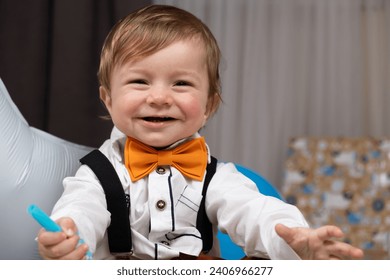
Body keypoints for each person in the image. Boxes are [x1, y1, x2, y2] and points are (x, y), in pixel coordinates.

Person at [36, 4, 363, 260]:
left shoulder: (216, 176)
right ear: (108, 99)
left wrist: (295, 239)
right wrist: (67, 235)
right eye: (140, 81)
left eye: (181, 83)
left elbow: (254, 210)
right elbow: (81, 207)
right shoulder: (96, 173)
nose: (160, 97)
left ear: (209, 105)